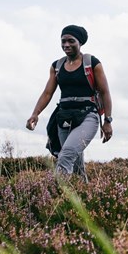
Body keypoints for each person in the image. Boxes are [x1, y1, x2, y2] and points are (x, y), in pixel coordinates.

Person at [26, 25, 113, 181]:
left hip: (88, 115)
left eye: (71, 41)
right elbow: (47, 93)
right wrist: (35, 113)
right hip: (64, 116)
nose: (66, 45)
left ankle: (58, 195)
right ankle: (85, 196)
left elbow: (105, 92)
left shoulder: (92, 63)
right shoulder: (57, 66)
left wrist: (107, 121)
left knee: (66, 154)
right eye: (63, 41)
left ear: (80, 42)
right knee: (76, 165)